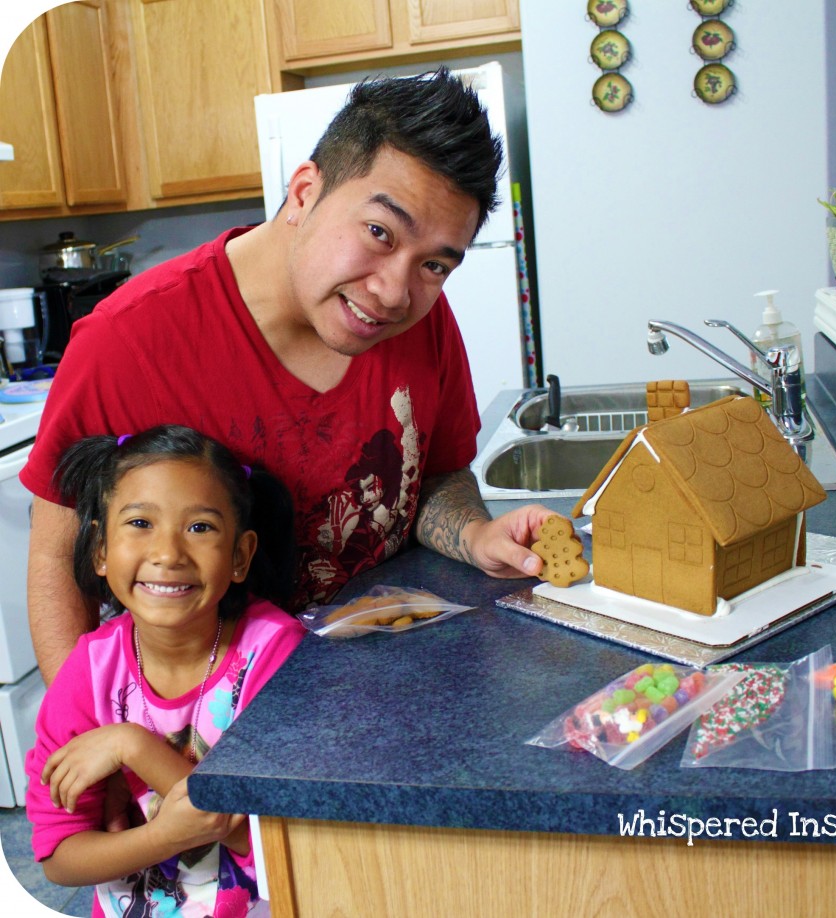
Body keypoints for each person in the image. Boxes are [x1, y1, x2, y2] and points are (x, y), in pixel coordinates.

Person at [21, 67, 553, 685]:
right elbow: (58, 561)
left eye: (434, 264)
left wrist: (478, 535)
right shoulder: (128, 341)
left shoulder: (421, 325)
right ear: (304, 192)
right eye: (379, 233)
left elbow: (434, 477)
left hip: (388, 690)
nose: (393, 293)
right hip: (197, 732)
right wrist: (89, 738)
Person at [25, 425, 307, 916]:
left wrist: (129, 744)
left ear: (240, 555)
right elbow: (58, 856)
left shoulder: (275, 656)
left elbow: (283, 849)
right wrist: (163, 837)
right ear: (100, 551)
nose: (168, 554)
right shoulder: (89, 671)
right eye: (139, 523)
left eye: (200, 527)